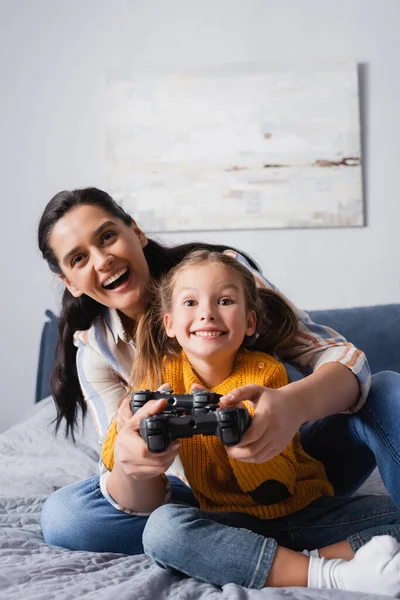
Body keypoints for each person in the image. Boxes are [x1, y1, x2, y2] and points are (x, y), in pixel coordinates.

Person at [38, 188, 400, 583]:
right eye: (79, 258)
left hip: (291, 465)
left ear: (136, 231)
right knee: (67, 517)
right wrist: (133, 462)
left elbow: (340, 358)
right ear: (68, 282)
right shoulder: (96, 351)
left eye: (107, 236)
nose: (102, 258)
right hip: (196, 496)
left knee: (387, 389)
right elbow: (137, 498)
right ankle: (284, 554)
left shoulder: (224, 275)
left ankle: (244, 553)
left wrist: (291, 405)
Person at [99, 248, 400, 594]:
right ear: (168, 323)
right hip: (231, 523)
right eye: (190, 303)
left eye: (225, 301)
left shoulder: (264, 374)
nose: (207, 313)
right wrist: (127, 432)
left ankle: (295, 563)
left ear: (251, 322)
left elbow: (275, 485)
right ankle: (329, 574)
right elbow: (112, 458)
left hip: (304, 509)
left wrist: (239, 436)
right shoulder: (155, 380)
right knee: (163, 529)